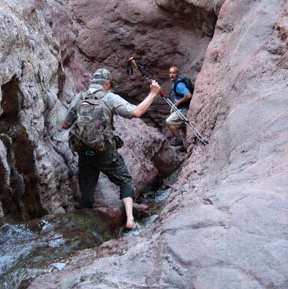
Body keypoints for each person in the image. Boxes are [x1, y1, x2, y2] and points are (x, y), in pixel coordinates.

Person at [62, 68, 161, 230]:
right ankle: (130, 220)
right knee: (125, 181)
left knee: (86, 194)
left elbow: (65, 124)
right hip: (104, 152)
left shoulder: (79, 98)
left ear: (92, 83)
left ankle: (85, 229)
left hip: (84, 153)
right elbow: (136, 112)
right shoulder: (109, 97)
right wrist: (153, 93)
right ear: (107, 84)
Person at [166, 66, 192, 146]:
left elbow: (188, 95)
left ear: (177, 74)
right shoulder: (174, 83)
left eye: (173, 73)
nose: (171, 75)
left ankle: (178, 140)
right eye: (170, 73)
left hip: (183, 109)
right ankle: (185, 146)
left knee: (169, 121)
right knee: (183, 128)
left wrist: (178, 102)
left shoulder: (179, 85)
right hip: (180, 109)